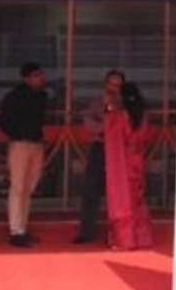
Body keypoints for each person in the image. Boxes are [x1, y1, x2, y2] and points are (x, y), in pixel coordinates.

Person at [0, 62, 48, 248]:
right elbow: (2, 120)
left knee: (29, 187)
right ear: (26, 78)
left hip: (36, 143)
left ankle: (22, 227)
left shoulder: (42, 96)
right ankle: (15, 230)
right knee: (18, 187)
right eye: (36, 75)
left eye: (40, 75)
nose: (40, 78)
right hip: (19, 143)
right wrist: (16, 133)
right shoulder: (14, 96)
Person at [72, 69, 125, 244]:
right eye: (111, 84)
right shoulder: (96, 103)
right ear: (105, 84)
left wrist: (109, 125)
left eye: (118, 85)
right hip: (100, 147)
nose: (114, 88)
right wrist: (108, 125)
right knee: (91, 188)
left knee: (119, 191)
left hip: (120, 150)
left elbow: (126, 127)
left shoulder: (126, 104)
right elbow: (90, 125)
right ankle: (86, 231)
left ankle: (119, 233)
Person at [104, 81, 153, 250]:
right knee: (137, 199)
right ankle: (140, 238)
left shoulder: (118, 116)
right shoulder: (143, 116)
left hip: (122, 161)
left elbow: (113, 136)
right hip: (137, 158)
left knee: (122, 200)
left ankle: (124, 239)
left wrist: (109, 110)